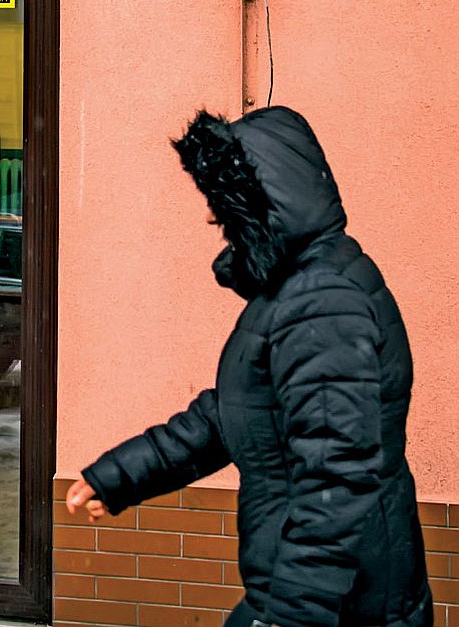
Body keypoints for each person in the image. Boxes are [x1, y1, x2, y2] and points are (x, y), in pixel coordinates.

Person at [66, 106, 432, 627]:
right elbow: (233, 415)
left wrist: (289, 616)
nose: (211, 219)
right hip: (312, 591)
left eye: (222, 205)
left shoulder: (321, 303)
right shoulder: (295, 291)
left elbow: (337, 479)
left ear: (268, 203)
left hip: (339, 606)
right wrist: (121, 476)